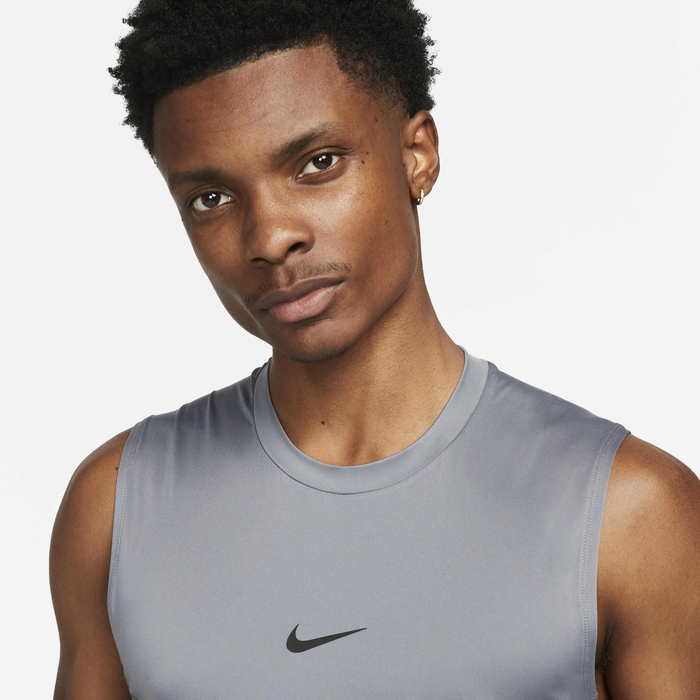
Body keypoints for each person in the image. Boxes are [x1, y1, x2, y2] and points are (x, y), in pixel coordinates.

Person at [49, 1, 700, 698]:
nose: (269, 237)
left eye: (317, 163)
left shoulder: (629, 513)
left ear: (417, 154)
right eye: (211, 198)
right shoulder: (115, 510)